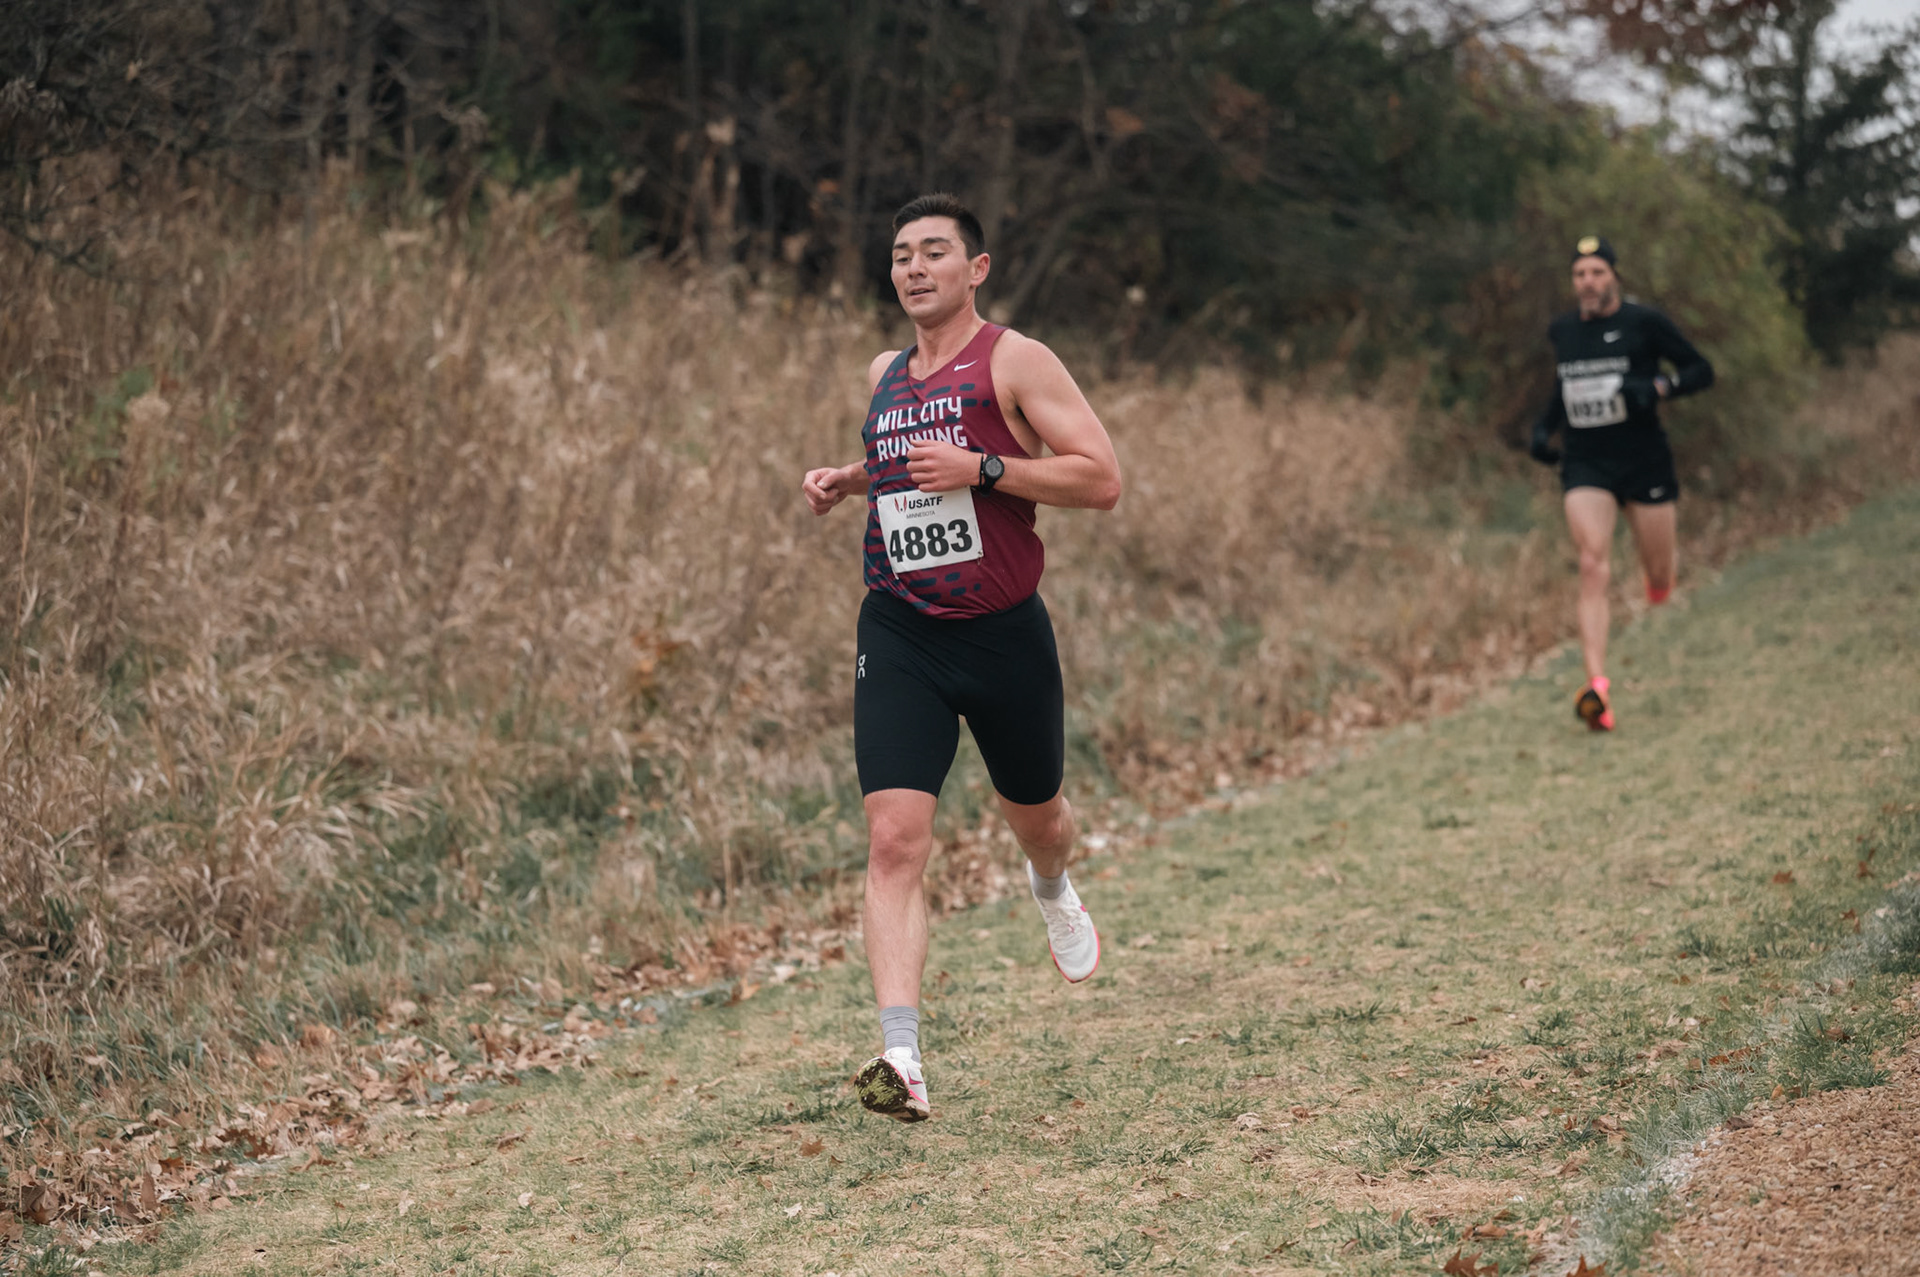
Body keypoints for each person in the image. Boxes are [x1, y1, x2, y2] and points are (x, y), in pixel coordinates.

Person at [800, 193, 1122, 1121]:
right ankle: (900, 1056)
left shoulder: (1016, 360)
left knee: (1040, 818)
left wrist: (984, 469)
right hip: (900, 627)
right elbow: (905, 466)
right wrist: (850, 477)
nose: (914, 267)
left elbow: (1100, 478)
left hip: (1002, 632)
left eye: (934, 251)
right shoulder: (884, 373)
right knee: (894, 838)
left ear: (975, 268)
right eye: (902, 254)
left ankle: (1052, 884)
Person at [1529, 235, 1714, 732]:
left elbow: (1701, 370)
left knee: (1660, 576)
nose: (1587, 282)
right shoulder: (1564, 330)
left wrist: (1658, 387)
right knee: (1592, 564)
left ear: (1613, 276)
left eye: (1596, 272)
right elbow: (1567, 385)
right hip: (1587, 464)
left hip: (1644, 462)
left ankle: (1658, 589)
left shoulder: (1644, 323)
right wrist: (1544, 428)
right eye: (1579, 274)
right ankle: (1598, 689)